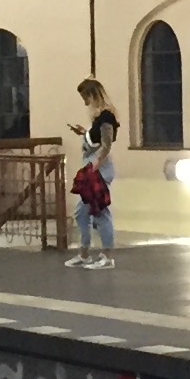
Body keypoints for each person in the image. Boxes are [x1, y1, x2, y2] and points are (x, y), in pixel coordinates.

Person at [65, 78, 119, 269]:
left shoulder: (106, 117)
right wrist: (84, 133)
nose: (85, 102)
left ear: (92, 95)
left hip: (98, 168)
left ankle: (107, 255)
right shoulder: (99, 118)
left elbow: (106, 144)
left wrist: (96, 164)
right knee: (82, 212)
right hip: (92, 165)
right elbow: (96, 140)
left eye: (85, 97)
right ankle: (84, 252)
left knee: (99, 210)